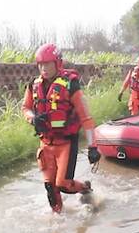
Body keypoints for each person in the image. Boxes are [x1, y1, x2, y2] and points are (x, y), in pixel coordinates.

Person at [22, 43, 101, 213]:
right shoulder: (33, 85)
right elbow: (25, 108)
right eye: (41, 64)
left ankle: (85, 188)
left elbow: (86, 118)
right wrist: (33, 118)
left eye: (48, 64)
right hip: (45, 144)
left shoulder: (70, 85)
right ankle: (57, 219)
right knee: (50, 187)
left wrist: (93, 147)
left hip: (66, 143)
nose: (44, 68)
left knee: (63, 184)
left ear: (57, 63)